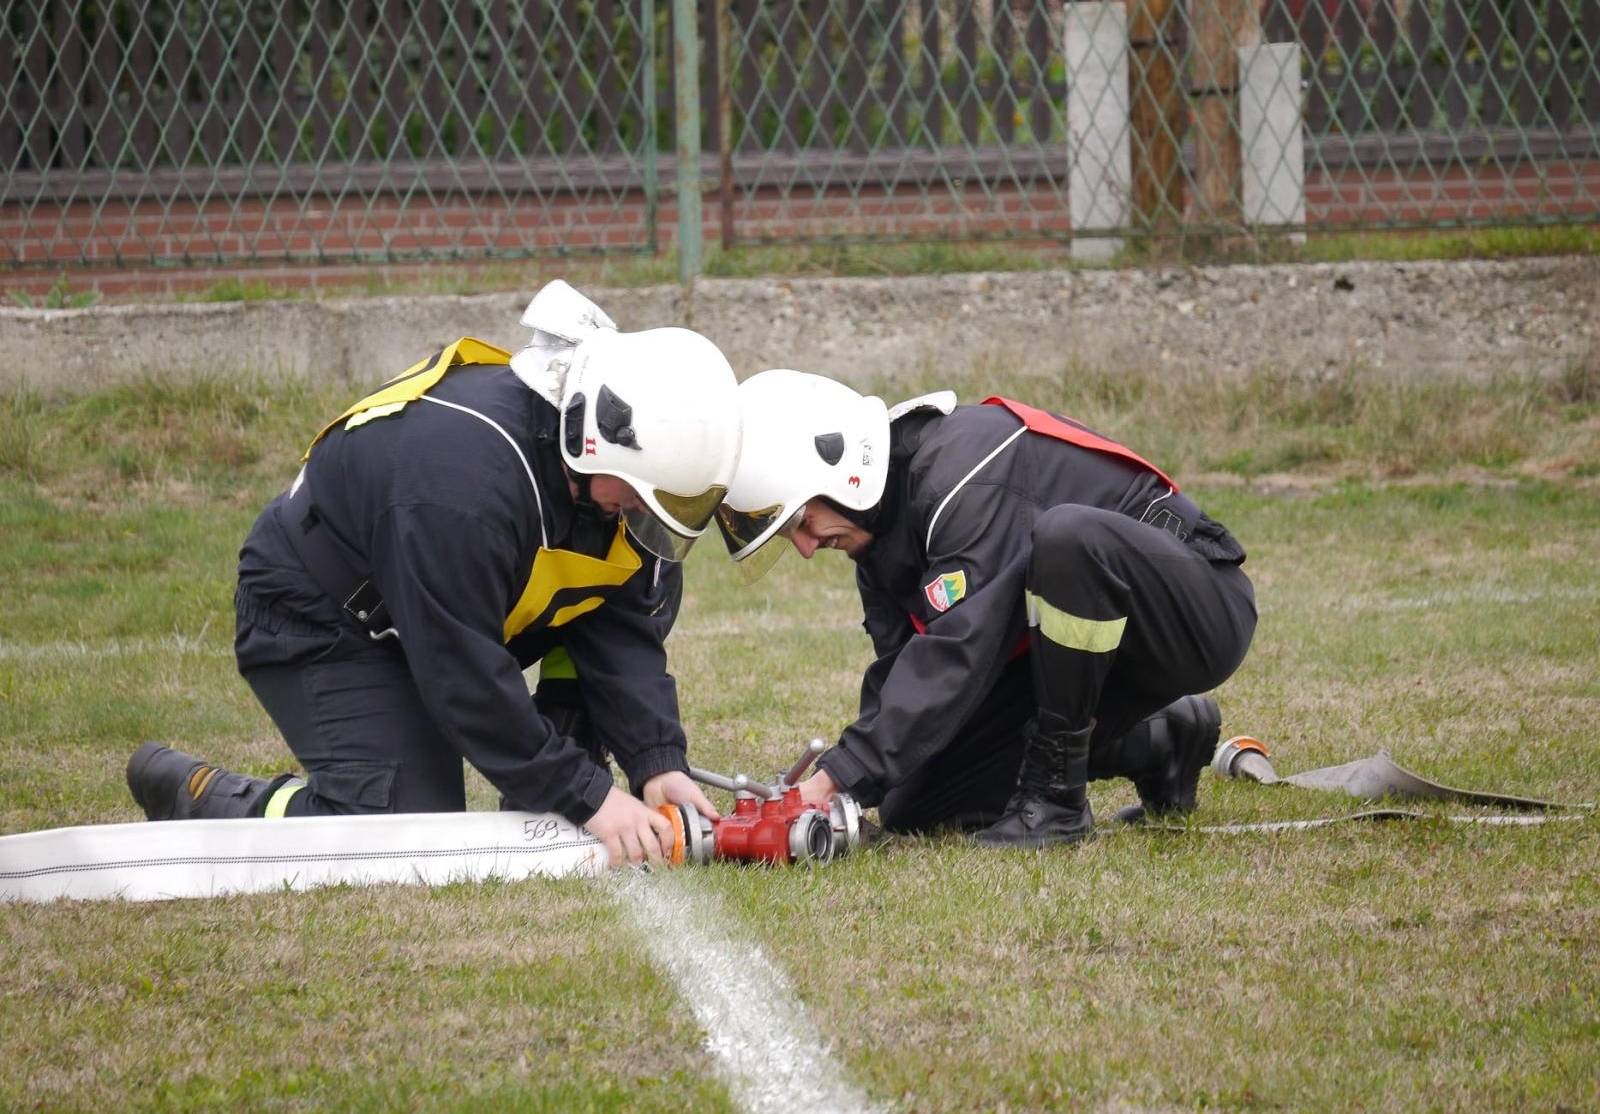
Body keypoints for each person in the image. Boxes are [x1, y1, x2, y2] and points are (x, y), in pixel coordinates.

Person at [126, 281, 738, 870]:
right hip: (322, 613)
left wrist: (657, 760)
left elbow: (619, 615)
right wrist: (592, 796)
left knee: (645, 581)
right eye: (635, 493)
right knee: (407, 825)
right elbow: (462, 673)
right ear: (591, 442)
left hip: (438, 599)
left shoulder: (593, 476)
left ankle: (561, 747)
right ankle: (212, 798)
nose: (639, 509)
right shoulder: (461, 491)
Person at [716, 371, 1256, 848]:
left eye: (802, 522)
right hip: (1083, 657)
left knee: (1069, 539)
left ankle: (1057, 806)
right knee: (912, 802)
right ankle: (1158, 741)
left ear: (839, 470)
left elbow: (957, 650)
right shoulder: (875, 536)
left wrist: (833, 776)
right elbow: (907, 676)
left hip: (1194, 614)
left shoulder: (966, 470)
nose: (807, 548)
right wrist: (847, 791)